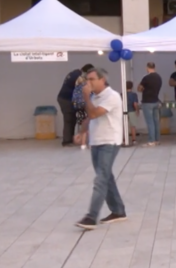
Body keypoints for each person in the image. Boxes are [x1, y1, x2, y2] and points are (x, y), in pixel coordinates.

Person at [74, 68, 127, 230]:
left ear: (102, 80)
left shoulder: (112, 96)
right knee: (106, 177)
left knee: (101, 179)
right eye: (87, 79)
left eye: (91, 79)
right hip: (96, 141)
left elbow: (95, 113)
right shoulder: (94, 97)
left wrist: (85, 97)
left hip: (109, 141)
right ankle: (118, 211)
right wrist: (82, 132)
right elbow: (89, 117)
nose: (88, 83)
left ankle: (91, 217)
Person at [58, 64, 95, 147]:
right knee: (69, 119)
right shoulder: (78, 76)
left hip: (66, 98)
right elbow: (83, 87)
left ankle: (71, 139)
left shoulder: (75, 73)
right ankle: (67, 141)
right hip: (66, 99)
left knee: (72, 119)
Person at [138, 62, 163, 146]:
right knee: (156, 122)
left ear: (147, 67)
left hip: (147, 102)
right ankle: (157, 140)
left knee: (150, 122)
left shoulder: (146, 77)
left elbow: (139, 89)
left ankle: (151, 140)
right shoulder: (159, 77)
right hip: (156, 100)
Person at [125, 81, 139, 145]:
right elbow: (135, 104)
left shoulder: (122, 94)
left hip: (124, 111)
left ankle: (124, 139)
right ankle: (133, 140)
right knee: (132, 126)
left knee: (124, 126)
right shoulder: (134, 94)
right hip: (132, 111)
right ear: (132, 87)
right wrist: (137, 110)